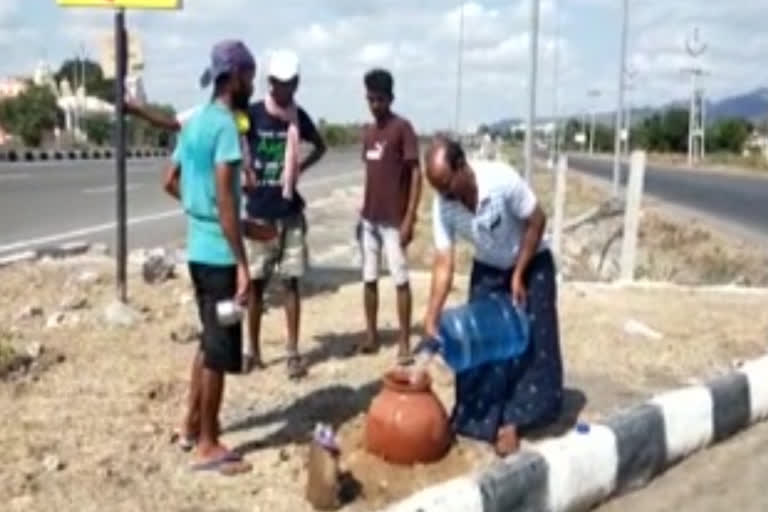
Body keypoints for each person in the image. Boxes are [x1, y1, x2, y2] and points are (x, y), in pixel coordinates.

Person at [422, 137, 564, 456]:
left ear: (461, 166)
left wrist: (519, 273)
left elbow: (537, 220)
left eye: (447, 185)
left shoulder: (500, 180)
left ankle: (514, 420)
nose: (445, 195)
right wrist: (432, 315)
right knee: (479, 343)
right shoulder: (443, 204)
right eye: (438, 189)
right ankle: (479, 418)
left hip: (531, 261)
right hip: (488, 267)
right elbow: (444, 262)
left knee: (530, 343)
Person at [165, 40, 256, 473]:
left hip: (197, 250)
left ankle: (190, 424)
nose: (252, 84)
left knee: (207, 339)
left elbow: (171, 180)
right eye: (250, 75)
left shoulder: (193, 122)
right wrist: (242, 262)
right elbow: (225, 199)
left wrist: (197, 208)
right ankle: (208, 443)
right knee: (219, 350)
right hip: (220, 258)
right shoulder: (223, 126)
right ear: (234, 77)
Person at [242, 49, 327, 378]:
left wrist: (297, 169)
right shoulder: (251, 115)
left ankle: (292, 352)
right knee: (256, 286)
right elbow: (233, 140)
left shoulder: (298, 117)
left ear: (296, 83)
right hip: (259, 212)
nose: (284, 90)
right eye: (279, 84)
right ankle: (253, 350)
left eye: (290, 84)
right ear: (270, 82)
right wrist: (245, 172)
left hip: (289, 212)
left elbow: (320, 146)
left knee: (291, 283)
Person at [359, 68, 422, 364]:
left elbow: (416, 173)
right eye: (371, 99)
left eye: (380, 99)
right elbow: (370, 175)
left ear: (390, 98)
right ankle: (371, 336)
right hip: (369, 219)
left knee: (400, 279)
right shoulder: (368, 133)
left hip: (394, 221)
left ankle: (405, 342)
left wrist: (410, 216)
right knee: (369, 278)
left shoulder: (403, 129)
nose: (375, 105)